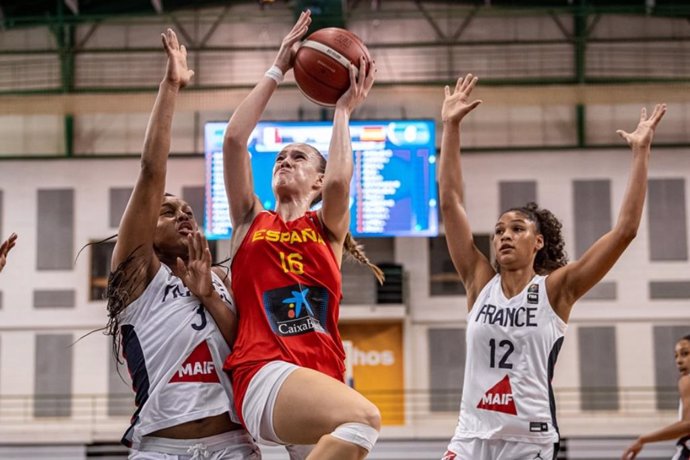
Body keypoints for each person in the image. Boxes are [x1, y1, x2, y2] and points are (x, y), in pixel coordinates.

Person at [437, 73, 666, 460]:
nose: (504, 236)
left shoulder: (556, 290)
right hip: (470, 436)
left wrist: (640, 152)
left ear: (538, 241)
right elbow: (450, 203)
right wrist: (451, 126)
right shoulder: (479, 283)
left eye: (516, 228)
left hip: (529, 439)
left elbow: (625, 231)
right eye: (497, 231)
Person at [221, 9, 382, 460]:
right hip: (264, 370)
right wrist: (278, 68)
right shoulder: (250, 219)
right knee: (364, 420)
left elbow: (339, 184)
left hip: (322, 376)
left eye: (298, 157)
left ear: (315, 182)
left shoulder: (326, 230)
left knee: (350, 437)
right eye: (279, 158)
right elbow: (234, 141)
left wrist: (342, 111)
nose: (284, 161)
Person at [105, 28, 259, 459]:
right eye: (167, 211)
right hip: (162, 446)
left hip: (233, 443)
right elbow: (151, 171)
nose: (183, 214)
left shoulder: (224, 277)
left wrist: (208, 295)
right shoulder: (137, 276)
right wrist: (171, 86)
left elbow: (246, 346)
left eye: (187, 209)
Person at [622, 335, 690, 460]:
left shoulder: (686, 380)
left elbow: (687, 425)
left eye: (685, 354)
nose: (679, 360)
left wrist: (643, 439)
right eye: (676, 356)